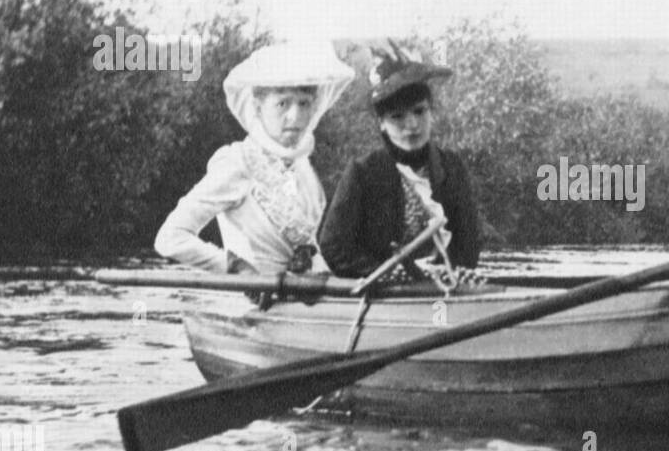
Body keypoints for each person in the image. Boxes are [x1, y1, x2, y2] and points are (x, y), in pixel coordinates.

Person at [155, 41, 354, 274]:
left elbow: (308, 246)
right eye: (283, 103)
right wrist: (235, 266)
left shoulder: (302, 168)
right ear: (258, 107)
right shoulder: (238, 162)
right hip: (249, 303)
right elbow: (170, 237)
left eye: (304, 103)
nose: (295, 116)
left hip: (303, 303)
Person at [318, 41, 481, 282]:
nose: (412, 126)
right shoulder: (363, 173)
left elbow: (467, 243)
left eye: (419, 111)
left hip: (443, 289)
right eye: (397, 117)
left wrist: (454, 272)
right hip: (386, 297)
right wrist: (384, 272)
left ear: (431, 112)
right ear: (381, 123)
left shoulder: (451, 167)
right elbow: (333, 246)